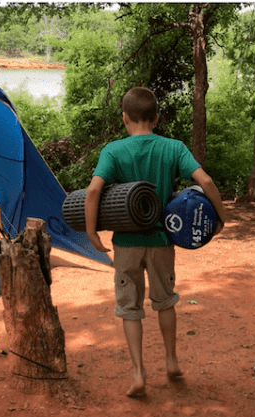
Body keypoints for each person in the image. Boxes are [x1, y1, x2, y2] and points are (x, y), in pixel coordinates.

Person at [84, 87, 228, 397]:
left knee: (129, 307)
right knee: (165, 301)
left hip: (126, 244)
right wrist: (220, 217)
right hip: (163, 241)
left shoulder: (113, 151)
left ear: (124, 117)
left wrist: (92, 231)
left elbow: (94, 190)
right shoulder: (172, 148)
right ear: (156, 118)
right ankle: (171, 360)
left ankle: (138, 372)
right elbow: (205, 181)